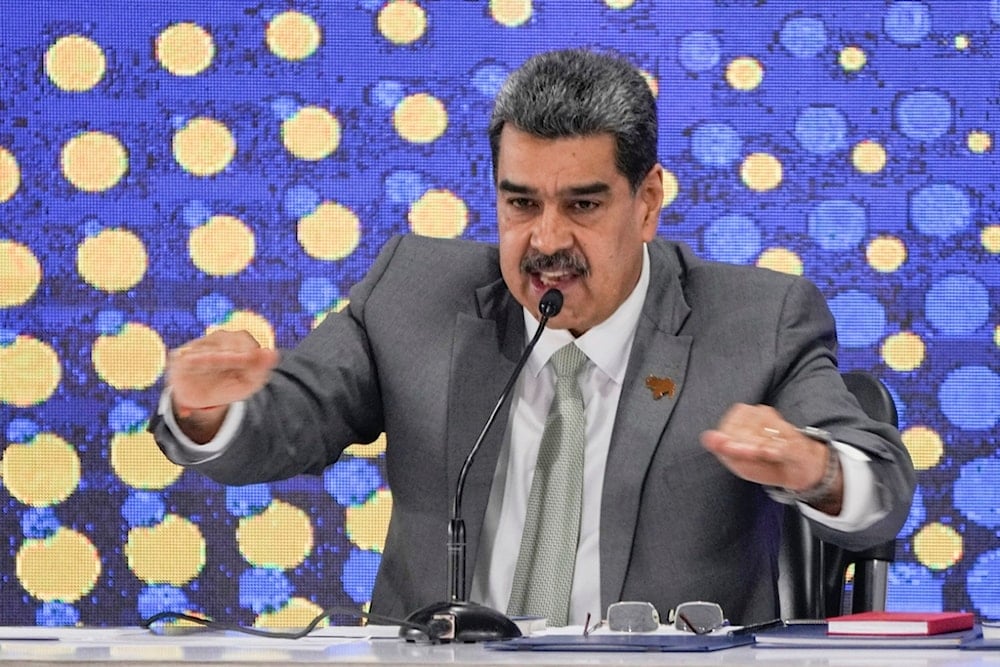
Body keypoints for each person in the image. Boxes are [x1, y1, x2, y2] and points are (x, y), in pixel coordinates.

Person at [150, 48, 915, 627]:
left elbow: (880, 489)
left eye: (583, 205)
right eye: (520, 202)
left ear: (647, 203)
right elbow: (291, 417)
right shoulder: (413, 293)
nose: (546, 238)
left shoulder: (756, 321)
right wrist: (208, 414)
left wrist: (815, 465)